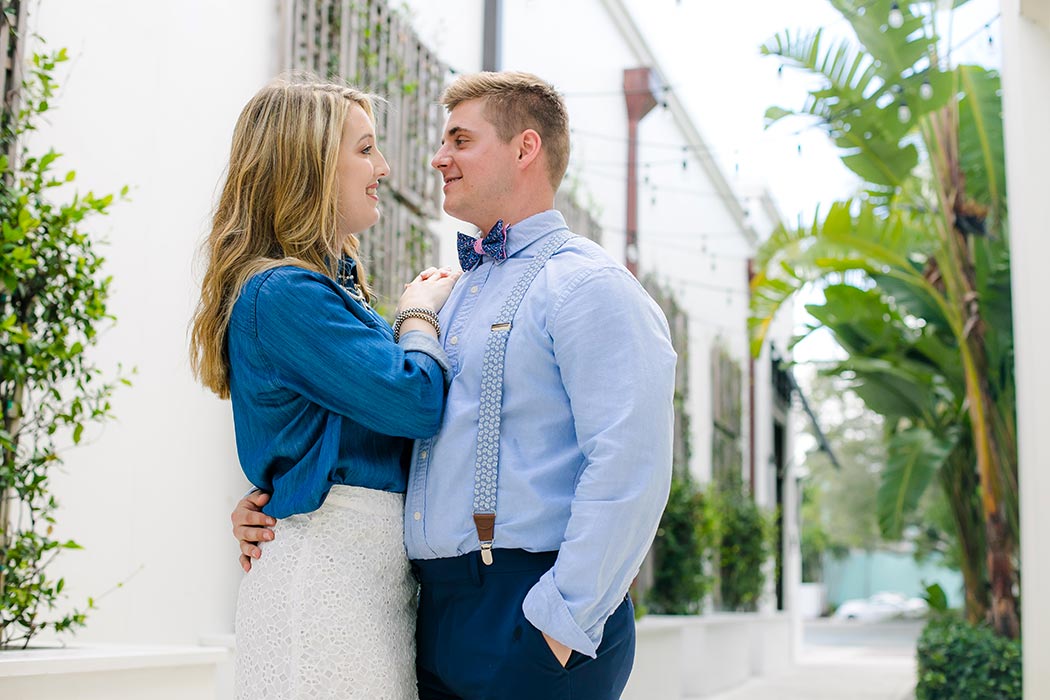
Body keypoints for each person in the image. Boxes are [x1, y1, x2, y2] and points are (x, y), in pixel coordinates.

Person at [232, 71, 676, 700]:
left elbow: (632, 464)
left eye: (460, 139)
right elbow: (395, 424)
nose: (435, 158)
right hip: (426, 612)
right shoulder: (451, 294)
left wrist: (561, 619)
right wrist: (278, 490)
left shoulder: (588, 286)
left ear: (525, 149)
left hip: (525, 611)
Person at [190, 77, 461, 700]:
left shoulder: (320, 289)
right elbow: (416, 401)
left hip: (364, 581)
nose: (384, 168)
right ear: (308, 165)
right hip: (326, 587)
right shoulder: (285, 293)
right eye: (365, 149)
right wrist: (418, 314)